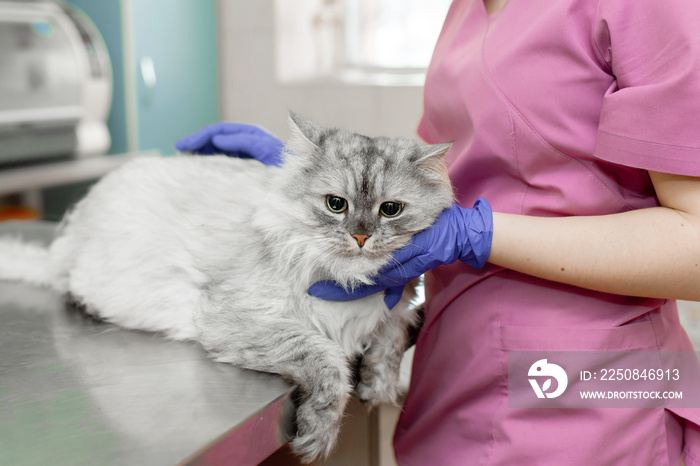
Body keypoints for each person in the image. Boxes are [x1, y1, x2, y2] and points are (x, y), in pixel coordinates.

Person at [176, 0, 700, 463]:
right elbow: (449, 165)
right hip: (458, 362)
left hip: (597, 389)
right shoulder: (465, 10)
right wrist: (313, 174)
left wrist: (479, 235)